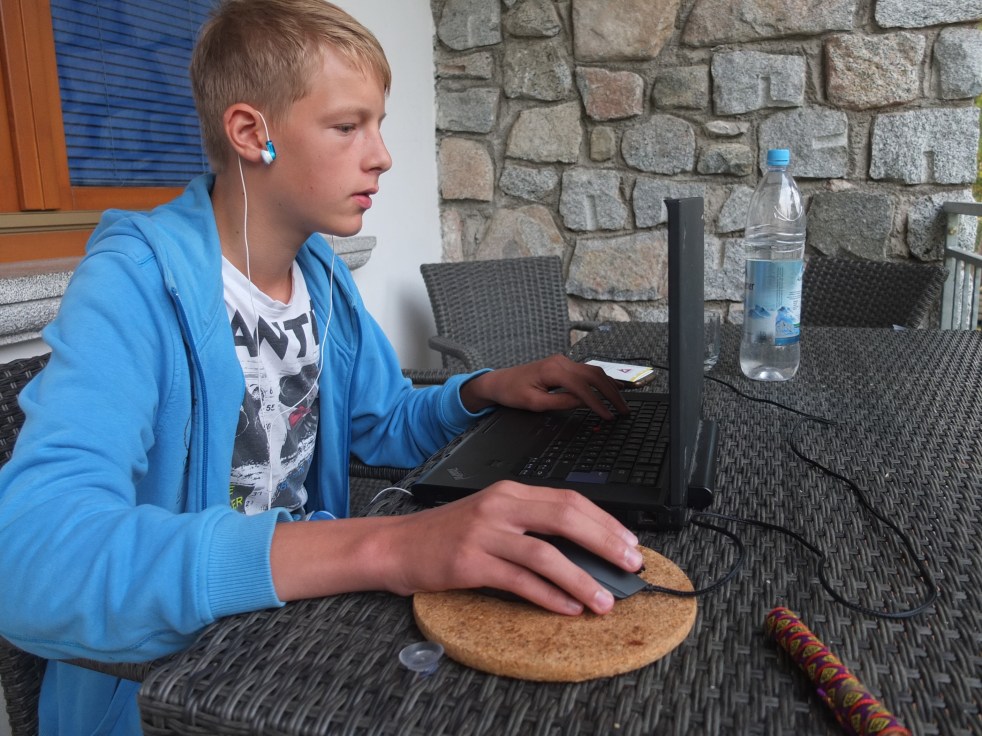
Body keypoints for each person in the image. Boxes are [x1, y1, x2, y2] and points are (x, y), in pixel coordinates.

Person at [0, 1, 642, 733]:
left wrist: (484, 389)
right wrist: (385, 545)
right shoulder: (134, 283)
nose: (382, 155)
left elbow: (383, 422)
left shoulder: (321, 275)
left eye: (379, 124)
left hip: (294, 637)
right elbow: (31, 563)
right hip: (165, 688)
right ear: (252, 133)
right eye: (347, 126)